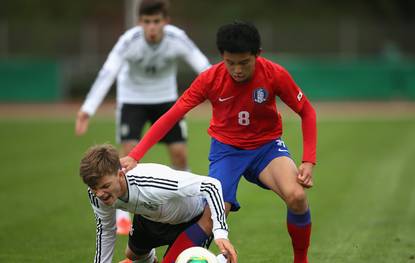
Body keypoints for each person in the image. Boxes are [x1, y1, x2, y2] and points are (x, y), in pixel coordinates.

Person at [121, 21, 317, 263]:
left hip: (266, 147)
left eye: (244, 63)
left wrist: (308, 160)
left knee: (297, 196)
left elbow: (306, 111)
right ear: (222, 56)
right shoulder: (210, 79)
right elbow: (172, 115)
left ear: (258, 55)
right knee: (213, 215)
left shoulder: (274, 74)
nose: (236, 70)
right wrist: (135, 155)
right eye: (230, 62)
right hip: (227, 151)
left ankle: (301, 260)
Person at [75, 0, 211, 235]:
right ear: (140, 23)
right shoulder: (129, 42)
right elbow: (108, 72)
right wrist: (87, 108)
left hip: (166, 100)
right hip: (132, 100)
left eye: (156, 21)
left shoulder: (177, 38)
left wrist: (221, 93)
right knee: (128, 154)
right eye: (147, 22)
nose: (151, 27)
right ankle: (122, 217)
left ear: (165, 22)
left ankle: (192, 202)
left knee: (179, 153)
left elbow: (205, 68)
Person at [79, 144, 237, 263]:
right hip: (151, 216)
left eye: (105, 186)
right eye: (94, 188)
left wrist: (220, 232)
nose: (99, 194)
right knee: (133, 254)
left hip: (191, 219)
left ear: (120, 175)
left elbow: (211, 185)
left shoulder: (152, 182)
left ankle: (220, 260)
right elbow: (106, 230)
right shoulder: (98, 194)